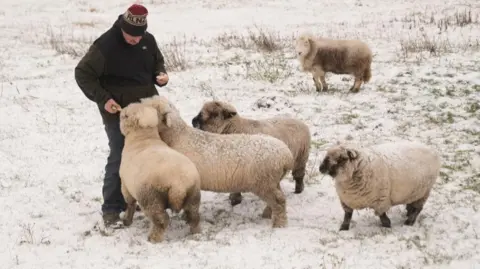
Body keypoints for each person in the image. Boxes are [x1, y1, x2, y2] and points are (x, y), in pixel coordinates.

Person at [74, 3, 169, 227]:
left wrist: (160, 74)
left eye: (140, 36)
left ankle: (154, 198)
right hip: (119, 111)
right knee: (120, 153)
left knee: (156, 151)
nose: (136, 40)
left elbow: (157, 62)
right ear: (122, 27)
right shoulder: (105, 45)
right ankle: (112, 208)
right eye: (131, 36)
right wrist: (103, 99)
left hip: (147, 107)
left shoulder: (148, 40)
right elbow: (82, 73)